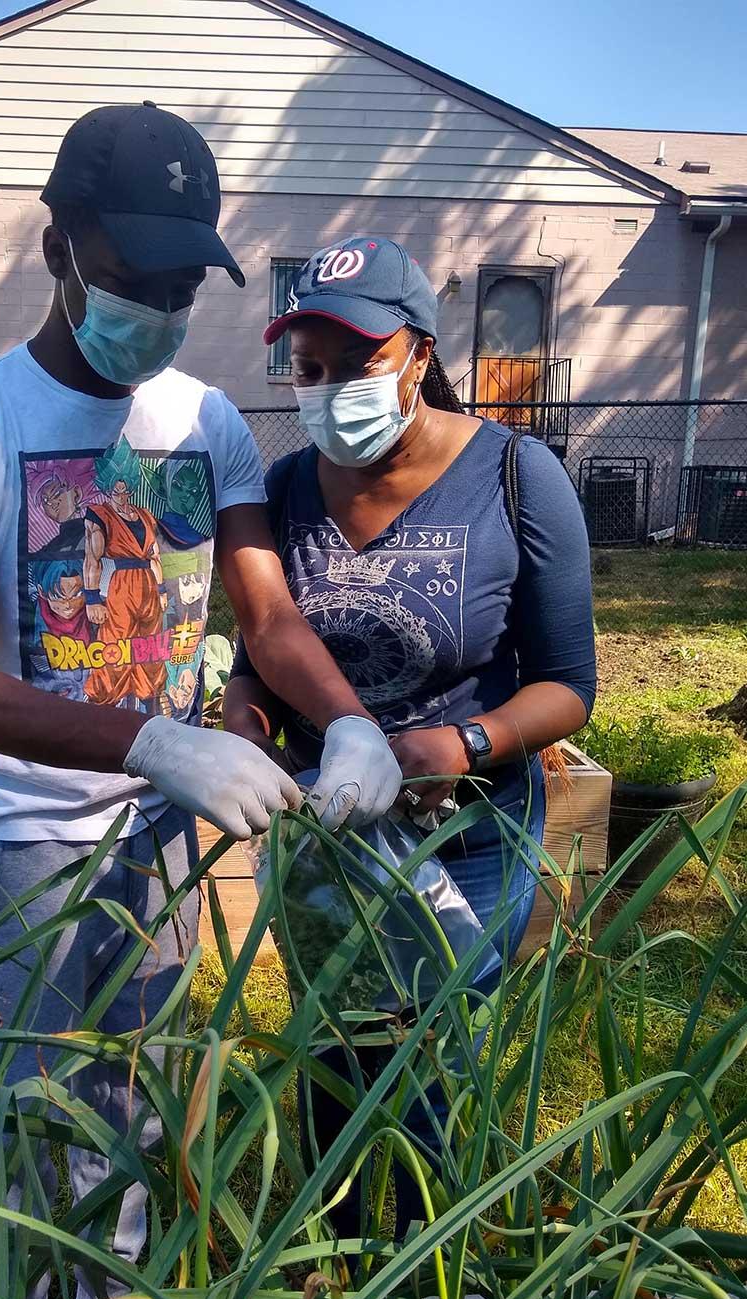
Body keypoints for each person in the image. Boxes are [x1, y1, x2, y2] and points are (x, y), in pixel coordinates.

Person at [0, 109, 401, 1299]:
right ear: (57, 245)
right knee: (21, 1103)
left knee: (135, 1091)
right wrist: (154, 738)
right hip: (33, 832)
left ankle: (116, 1296)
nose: (158, 315)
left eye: (181, 286)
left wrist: (350, 722)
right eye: (130, 280)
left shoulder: (204, 419)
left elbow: (263, 615)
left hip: (166, 827)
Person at [223, 235, 596, 1240]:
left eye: (358, 362)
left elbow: (568, 685)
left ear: (419, 355)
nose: (331, 386)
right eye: (310, 368)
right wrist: (244, 730)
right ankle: (335, 1260)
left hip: (462, 842)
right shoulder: (287, 486)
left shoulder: (516, 477)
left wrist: (459, 745)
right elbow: (257, 655)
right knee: (332, 1057)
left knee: (426, 1061)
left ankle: (423, 1267)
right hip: (327, 843)